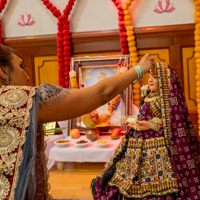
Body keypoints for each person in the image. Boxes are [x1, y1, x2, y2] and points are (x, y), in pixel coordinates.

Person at [0, 44, 154, 200]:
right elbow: (101, 93)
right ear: (3, 70)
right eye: (21, 66)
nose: (27, 76)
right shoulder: (18, 101)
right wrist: (139, 70)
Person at [92, 62, 200, 200]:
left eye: (155, 77)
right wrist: (133, 120)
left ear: (165, 80)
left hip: (159, 143)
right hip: (137, 140)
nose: (150, 80)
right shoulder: (147, 95)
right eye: (150, 76)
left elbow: (172, 121)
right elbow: (142, 114)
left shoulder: (166, 99)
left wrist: (149, 125)